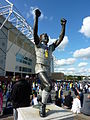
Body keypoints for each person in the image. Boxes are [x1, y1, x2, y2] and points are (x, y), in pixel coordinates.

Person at [33, 9, 67, 117]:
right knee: (48, 85)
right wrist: (36, 18)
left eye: (47, 36)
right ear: (40, 38)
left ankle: (39, 98)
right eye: (44, 35)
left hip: (47, 69)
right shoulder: (38, 44)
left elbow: (60, 39)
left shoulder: (50, 47)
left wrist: (63, 26)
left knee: (44, 88)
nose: (46, 36)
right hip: (40, 67)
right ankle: (43, 105)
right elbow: (34, 32)